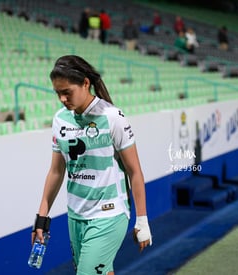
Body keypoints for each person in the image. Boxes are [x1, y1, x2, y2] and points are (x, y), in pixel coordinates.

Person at [31, 55, 152, 275]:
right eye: (58, 93)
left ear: (85, 83)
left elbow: (135, 172)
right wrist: (42, 217)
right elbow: (57, 171)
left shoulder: (113, 117)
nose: (62, 98)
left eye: (67, 92)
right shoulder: (60, 120)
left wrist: (142, 220)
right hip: (75, 216)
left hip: (109, 215)